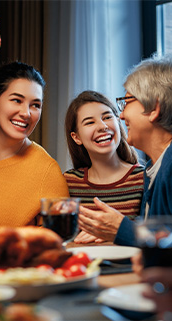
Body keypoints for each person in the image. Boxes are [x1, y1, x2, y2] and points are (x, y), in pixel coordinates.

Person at [75, 54, 172, 246]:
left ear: (154, 109)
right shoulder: (154, 168)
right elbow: (160, 231)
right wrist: (113, 229)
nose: (121, 115)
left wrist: (121, 229)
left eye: (127, 102)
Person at [0, 61, 69, 231]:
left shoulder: (47, 171)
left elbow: (58, 241)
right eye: (17, 100)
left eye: (35, 105)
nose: (26, 113)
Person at [64, 90, 144, 244]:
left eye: (107, 117)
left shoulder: (142, 178)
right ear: (76, 137)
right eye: (89, 122)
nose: (102, 126)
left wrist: (114, 232)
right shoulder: (68, 182)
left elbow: (154, 235)